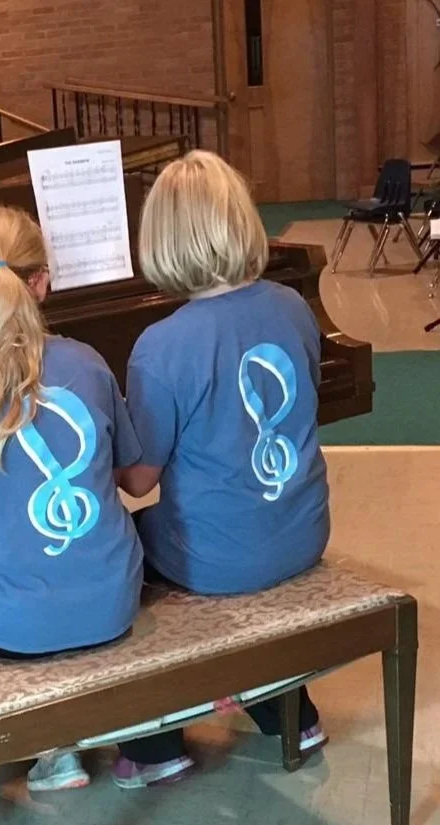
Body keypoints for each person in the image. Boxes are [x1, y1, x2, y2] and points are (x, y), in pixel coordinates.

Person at [0, 204, 188, 825]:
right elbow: (129, 486)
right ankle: (61, 752)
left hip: (9, 631)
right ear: (43, 282)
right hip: (114, 608)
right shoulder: (88, 363)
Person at [119, 150, 330, 762]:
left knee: (119, 549)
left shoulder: (161, 346)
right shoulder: (292, 307)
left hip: (217, 560)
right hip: (304, 529)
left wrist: (100, 441)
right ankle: (291, 709)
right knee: (230, 519)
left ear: (164, 240)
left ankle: (155, 742)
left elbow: (138, 482)